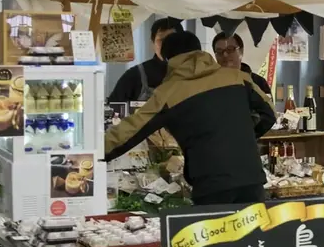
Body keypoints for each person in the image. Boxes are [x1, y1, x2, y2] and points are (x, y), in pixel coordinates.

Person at [105, 31, 276, 205]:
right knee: (252, 231)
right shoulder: (237, 78)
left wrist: (92, 155)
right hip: (251, 179)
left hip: (210, 184)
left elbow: (129, 131)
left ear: (167, 59)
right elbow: (269, 113)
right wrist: (243, 137)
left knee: (217, 231)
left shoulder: (168, 93)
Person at [108, 18, 182, 102]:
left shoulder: (193, 72)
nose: (167, 44)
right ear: (152, 44)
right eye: (161, 40)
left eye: (172, 39)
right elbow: (113, 108)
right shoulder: (134, 76)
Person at [212, 31, 271, 95]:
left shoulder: (258, 82)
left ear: (241, 51)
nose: (225, 54)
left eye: (230, 49)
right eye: (219, 51)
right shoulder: (211, 82)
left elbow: (268, 104)